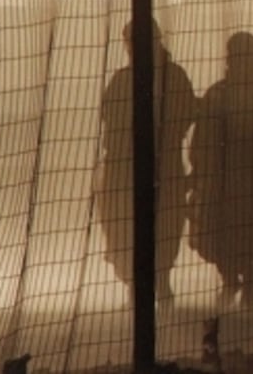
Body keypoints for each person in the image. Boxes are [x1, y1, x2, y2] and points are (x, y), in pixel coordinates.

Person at [188, 31, 253, 309]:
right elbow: (204, 138)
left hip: (244, 181)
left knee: (247, 233)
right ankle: (240, 284)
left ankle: (246, 286)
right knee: (244, 233)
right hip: (240, 181)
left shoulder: (225, 93)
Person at [95, 18, 198, 307]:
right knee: (156, 234)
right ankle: (155, 298)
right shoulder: (172, 77)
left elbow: (109, 122)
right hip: (157, 171)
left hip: (132, 173)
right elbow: (189, 115)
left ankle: (148, 300)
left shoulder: (125, 81)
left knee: (137, 234)